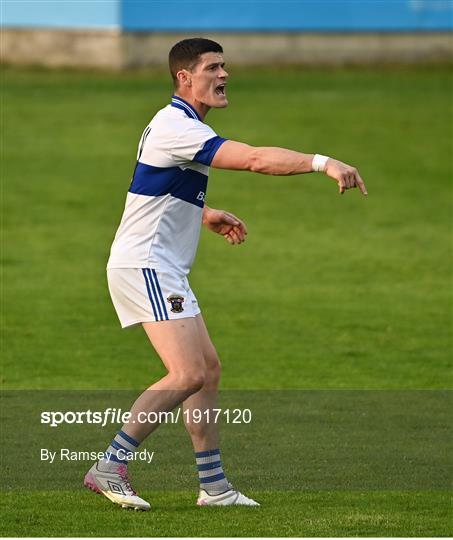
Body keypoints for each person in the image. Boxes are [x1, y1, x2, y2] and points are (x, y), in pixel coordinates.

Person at [84, 38, 367, 511]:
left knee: (207, 371)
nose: (224, 74)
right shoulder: (177, 125)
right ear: (184, 78)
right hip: (146, 266)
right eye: (213, 67)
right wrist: (324, 162)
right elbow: (255, 159)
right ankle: (110, 465)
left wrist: (204, 212)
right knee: (187, 372)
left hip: (163, 266)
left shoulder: (179, 124)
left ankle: (213, 487)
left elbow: (153, 192)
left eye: (224, 66)